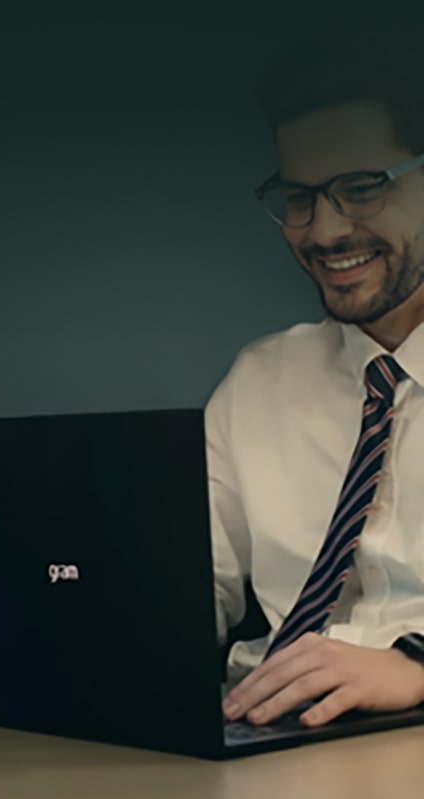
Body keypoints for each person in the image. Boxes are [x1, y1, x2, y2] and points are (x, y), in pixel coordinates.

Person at [207, 29, 424, 729]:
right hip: (270, 730)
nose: (324, 230)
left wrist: (416, 668)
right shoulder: (260, 380)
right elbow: (185, 591)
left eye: (362, 188)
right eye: (299, 197)